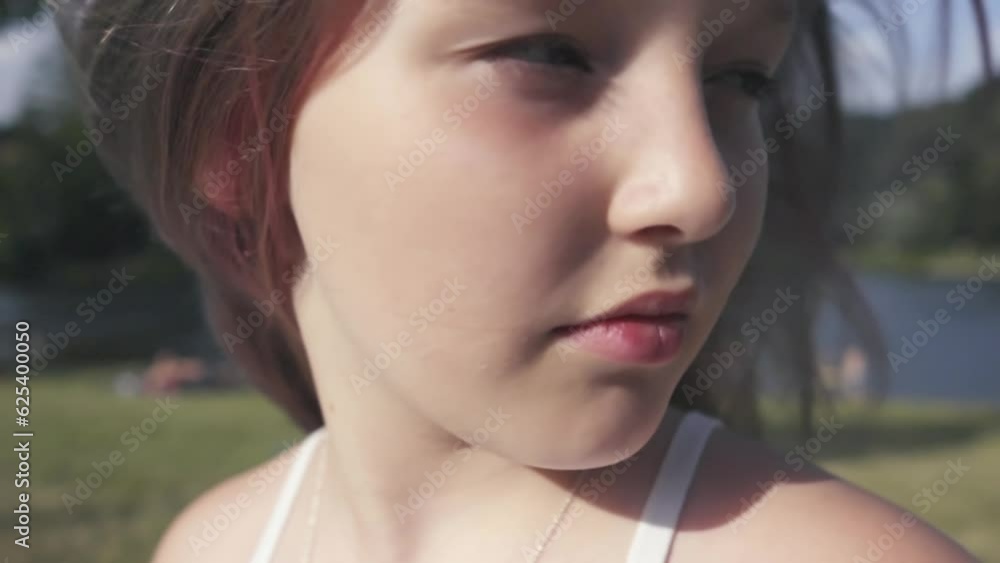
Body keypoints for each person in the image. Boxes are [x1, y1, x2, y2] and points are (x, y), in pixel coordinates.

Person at [55, 0, 984, 561]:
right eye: (549, 53)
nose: (702, 186)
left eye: (741, 77)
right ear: (236, 141)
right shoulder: (210, 545)